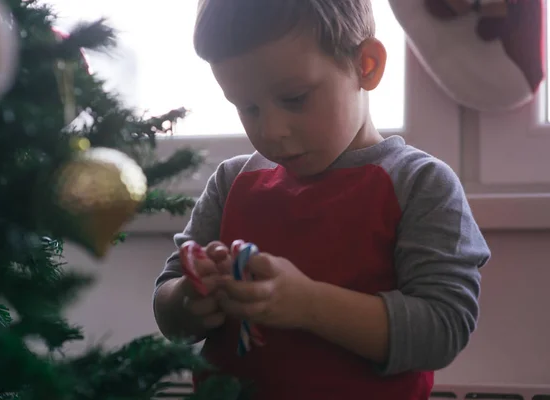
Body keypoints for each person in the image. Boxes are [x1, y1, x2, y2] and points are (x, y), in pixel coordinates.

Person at [153, 1, 491, 399]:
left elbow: (443, 329)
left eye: (294, 98)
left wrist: (308, 305)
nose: (272, 130)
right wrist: (191, 300)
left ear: (366, 65)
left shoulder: (420, 184)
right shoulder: (232, 182)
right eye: (248, 108)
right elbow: (169, 304)